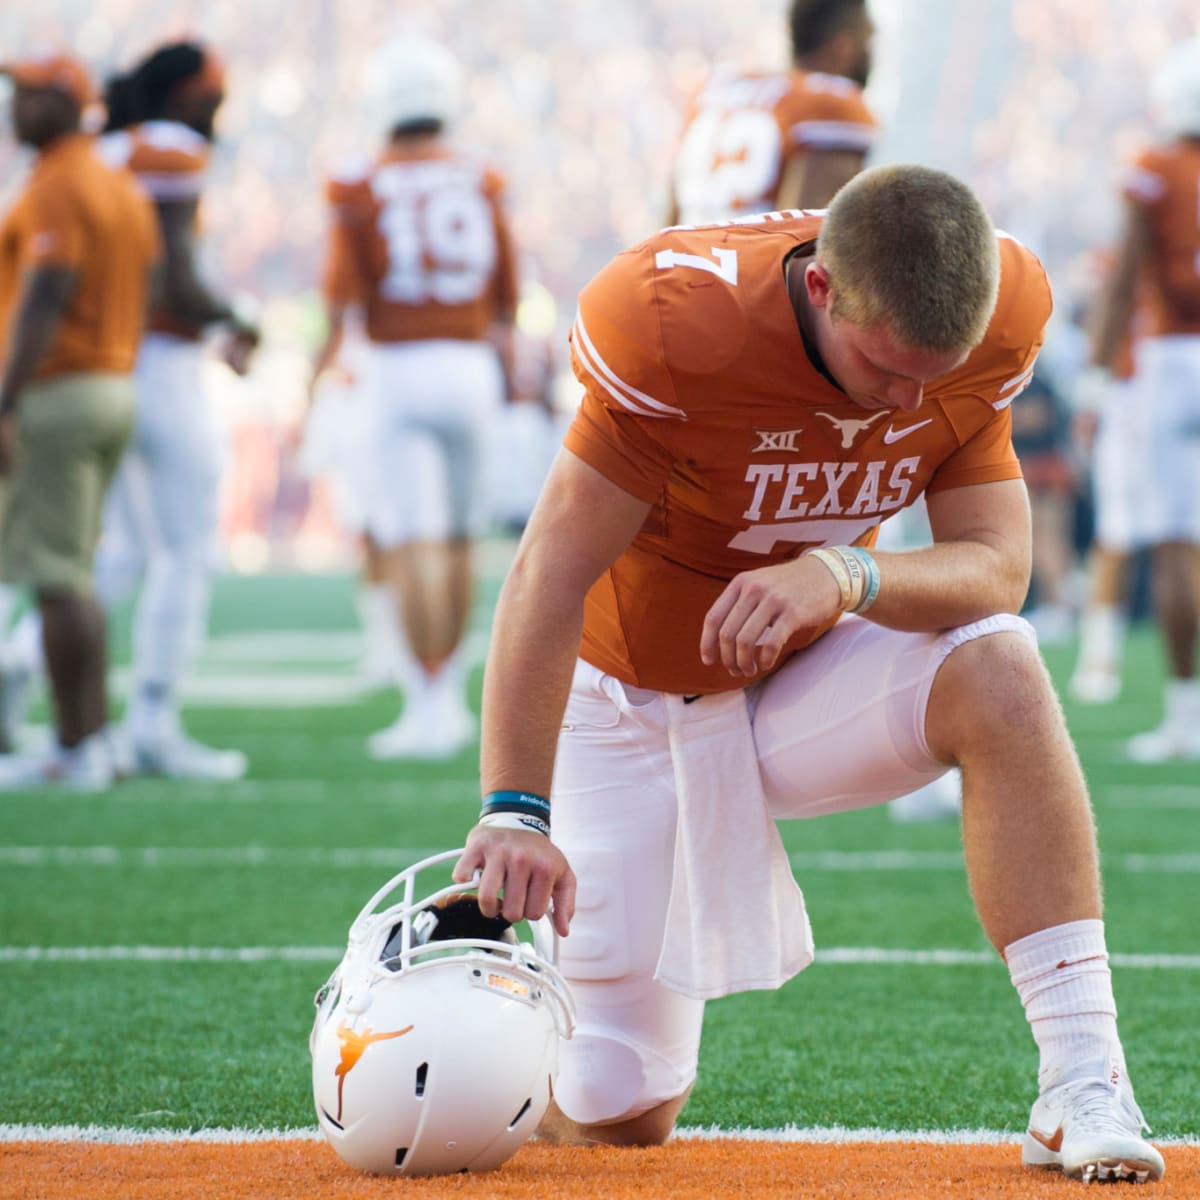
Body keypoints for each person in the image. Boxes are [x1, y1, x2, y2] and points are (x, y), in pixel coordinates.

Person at [452, 165, 1166, 1184]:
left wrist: (844, 571)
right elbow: (546, 576)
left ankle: (1085, 1081)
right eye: (886, 372)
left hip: (795, 685)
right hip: (624, 704)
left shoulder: (996, 311)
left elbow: (997, 571)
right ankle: (490, 1025)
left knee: (999, 666)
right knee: (620, 1111)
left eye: (936, 373)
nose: (910, 403)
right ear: (823, 291)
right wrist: (517, 807)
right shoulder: (675, 324)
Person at [311, 37, 517, 761]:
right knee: (460, 538)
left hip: (398, 366)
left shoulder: (358, 181)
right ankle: (453, 699)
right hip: (469, 364)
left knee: (410, 539)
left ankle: (424, 699)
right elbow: (506, 296)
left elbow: (342, 299)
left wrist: (315, 377)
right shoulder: (480, 176)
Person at [79, 40, 259, 780]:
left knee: (121, 550)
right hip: (163, 367)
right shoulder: (174, 151)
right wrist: (239, 319)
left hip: (105, 364)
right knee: (185, 549)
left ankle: (20, 669)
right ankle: (152, 718)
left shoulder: (104, 148)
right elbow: (178, 282)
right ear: (187, 92)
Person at [0, 53, 159, 789]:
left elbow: (45, 292)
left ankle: (77, 746)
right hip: (111, 381)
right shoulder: (115, 179)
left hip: (59, 388)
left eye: (30, 95)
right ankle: (93, 738)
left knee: (56, 577)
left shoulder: (60, 181)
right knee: (74, 573)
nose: (16, 106)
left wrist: (3, 399)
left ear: (66, 102)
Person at [1071, 38, 1200, 760]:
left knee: (1179, 542)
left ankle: (1186, 715)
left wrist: (1094, 371)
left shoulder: (1157, 169)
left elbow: (1123, 279)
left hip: (1173, 361)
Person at [666, 0, 876, 226]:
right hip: (757, 258)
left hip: (687, 257)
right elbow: (798, 238)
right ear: (843, 47)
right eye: (868, 40)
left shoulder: (714, 89)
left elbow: (668, 224)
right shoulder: (833, 103)